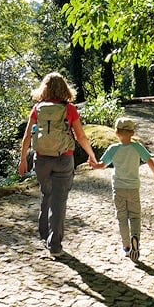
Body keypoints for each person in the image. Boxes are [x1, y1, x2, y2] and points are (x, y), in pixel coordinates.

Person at [17, 72, 99, 257]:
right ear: (65, 88)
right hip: (63, 158)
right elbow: (80, 136)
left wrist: (23, 159)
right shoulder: (69, 109)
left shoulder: (37, 108)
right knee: (59, 201)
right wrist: (91, 155)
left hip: (42, 160)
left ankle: (44, 233)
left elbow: (27, 136)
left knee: (47, 193)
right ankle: (54, 244)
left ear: (44, 89)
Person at [92, 115, 154, 262]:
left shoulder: (113, 149)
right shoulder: (137, 147)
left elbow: (101, 165)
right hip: (133, 187)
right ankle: (136, 238)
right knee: (135, 216)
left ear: (116, 132)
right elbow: (149, 160)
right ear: (133, 133)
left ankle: (127, 247)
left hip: (118, 187)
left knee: (122, 217)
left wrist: (93, 164)